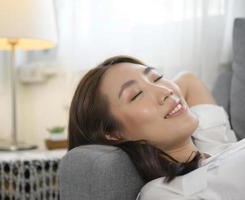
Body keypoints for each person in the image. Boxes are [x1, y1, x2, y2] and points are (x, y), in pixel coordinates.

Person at [68, 55, 240, 199]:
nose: (166, 91)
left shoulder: (211, 139)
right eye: (137, 95)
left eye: (157, 77)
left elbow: (188, 80)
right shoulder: (164, 192)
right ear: (114, 133)